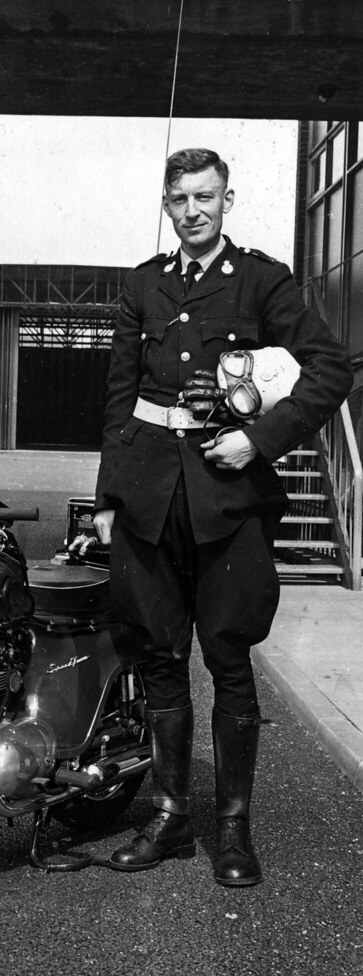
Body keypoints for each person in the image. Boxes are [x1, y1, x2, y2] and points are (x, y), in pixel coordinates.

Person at [90, 147, 353, 886]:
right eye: (179, 199)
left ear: (226, 202)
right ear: (167, 206)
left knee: (229, 660)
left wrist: (260, 437)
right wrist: (110, 496)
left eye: (205, 197)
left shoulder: (262, 281)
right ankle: (172, 817)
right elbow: (118, 398)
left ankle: (231, 831)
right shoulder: (143, 286)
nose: (192, 211)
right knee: (159, 657)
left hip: (227, 499)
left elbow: (328, 367)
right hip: (148, 498)